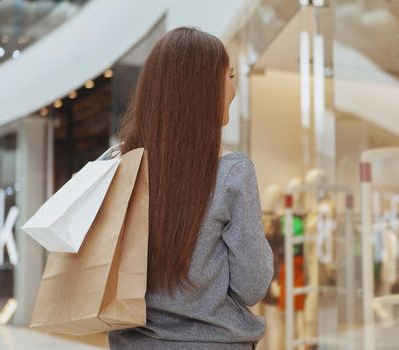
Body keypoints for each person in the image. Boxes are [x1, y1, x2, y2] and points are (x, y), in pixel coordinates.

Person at [108, 27, 274, 349]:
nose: (234, 89)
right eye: (229, 76)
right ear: (203, 89)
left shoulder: (121, 167)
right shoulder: (232, 173)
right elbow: (252, 285)